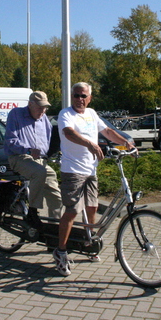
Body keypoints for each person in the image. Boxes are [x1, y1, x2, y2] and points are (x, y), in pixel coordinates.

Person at [53, 82, 135, 276]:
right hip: (72, 170)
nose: (80, 99)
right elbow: (68, 133)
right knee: (72, 210)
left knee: (92, 207)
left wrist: (126, 143)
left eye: (83, 96)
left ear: (89, 98)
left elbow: (106, 131)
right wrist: (90, 143)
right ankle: (61, 252)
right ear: (71, 96)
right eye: (76, 95)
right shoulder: (66, 114)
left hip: (91, 170)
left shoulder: (92, 113)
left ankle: (89, 242)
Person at [4, 91, 62, 222]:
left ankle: (54, 227)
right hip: (19, 157)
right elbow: (10, 140)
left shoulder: (44, 119)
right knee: (39, 172)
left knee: (55, 192)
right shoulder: (16, 114)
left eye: (45, 107)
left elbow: (48, 141)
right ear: (30, 104)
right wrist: (28, 150)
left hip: (39, 160)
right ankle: (33, 211)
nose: (42, 111)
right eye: (40, 107)